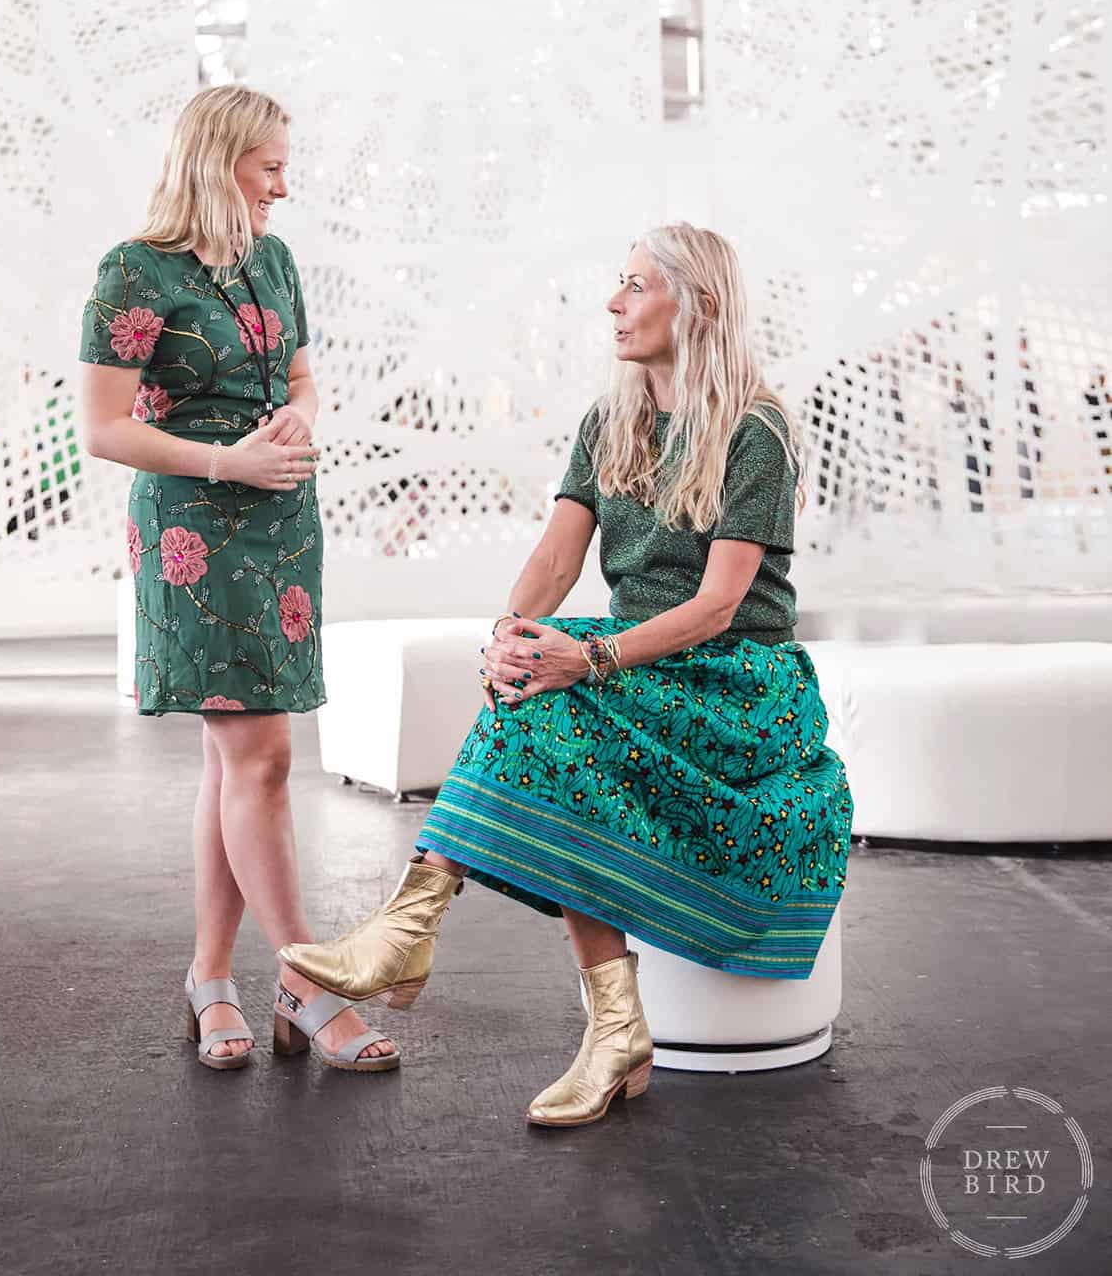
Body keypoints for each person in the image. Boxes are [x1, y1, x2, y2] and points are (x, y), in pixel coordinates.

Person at [281, 222, 855, 1128]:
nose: (612, 302)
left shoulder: (755, 427)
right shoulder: (609, 419)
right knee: (533, 695)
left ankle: (424, 931)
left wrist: (581, 656)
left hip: (738, 681)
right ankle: (575, 1009)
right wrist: (511, 632)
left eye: (635, 285)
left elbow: (716, 605)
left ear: (697, 302)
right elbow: (556, 556)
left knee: (556, 710)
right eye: (615, 283)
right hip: (638, 666)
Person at [78, 84, 399, 1076]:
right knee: (258, 757)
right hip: (193, 526)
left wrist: (298, 418)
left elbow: (299, 376)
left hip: (282, 522)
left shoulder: (274, 260)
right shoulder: (132, 272)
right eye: (269, 166)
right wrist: (227, 462)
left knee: (236, 761)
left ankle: (209, 974)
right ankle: (307, 982)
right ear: (218, 162)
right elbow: (103, 426)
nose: (283, 185)